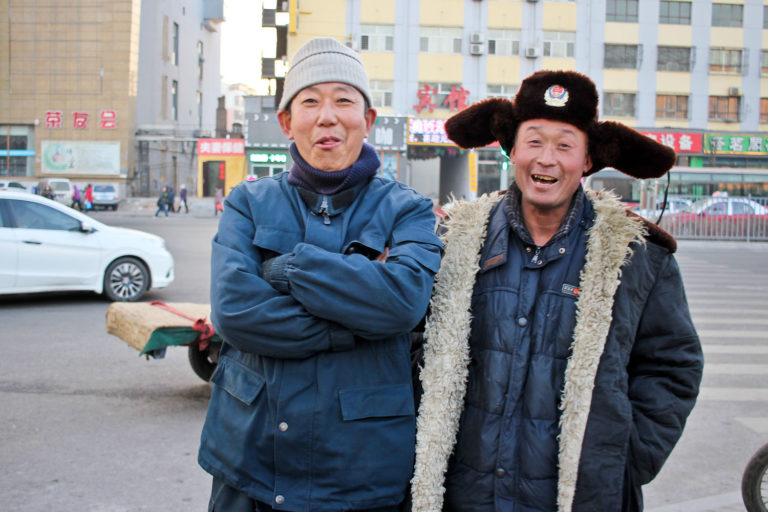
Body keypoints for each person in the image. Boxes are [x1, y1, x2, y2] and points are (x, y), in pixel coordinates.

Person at [410, 70, 704, 512]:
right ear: (512, 150)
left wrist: (623, 460)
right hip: (465, 495)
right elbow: (413, 343)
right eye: (534, 141)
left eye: (565, 144)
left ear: (587, 159)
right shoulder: (454, 242)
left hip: (577, 497)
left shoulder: (637, 256)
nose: (547, 159)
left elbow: (672, 366)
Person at [198, 37, 443, 512]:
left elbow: (403, 302)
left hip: (360, 467)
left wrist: (289, 269)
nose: (327, 116)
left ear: (367, 120)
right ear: (288, 122)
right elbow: (235, 311)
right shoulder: (248, 202)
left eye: (344, 100)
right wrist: (353, 321)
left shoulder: (408, 209)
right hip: (250, 456)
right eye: (310, 101)